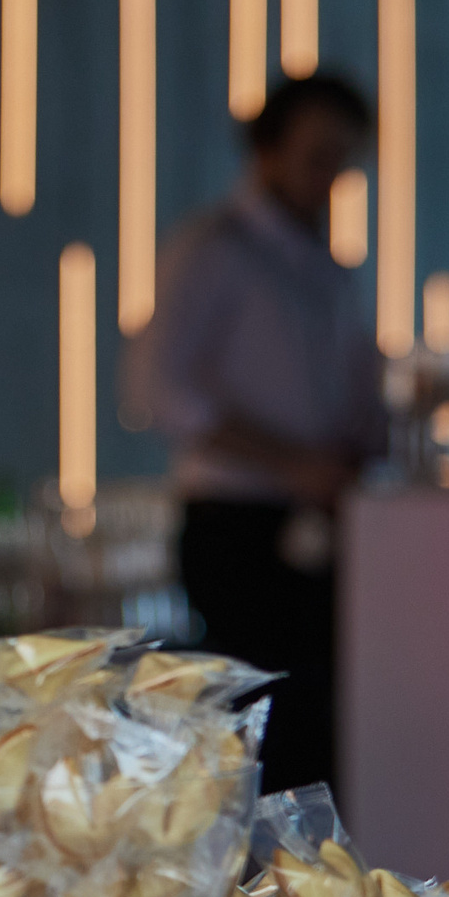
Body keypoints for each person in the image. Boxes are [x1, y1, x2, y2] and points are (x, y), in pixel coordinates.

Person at [130, 72, 387, 794]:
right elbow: (160, 388)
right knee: (259, 726)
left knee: (319, 722)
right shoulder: (213, 251)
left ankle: (318, 884)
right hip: (235, 528)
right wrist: (289, 462)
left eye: (343, 158)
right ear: (267, 151)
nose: (330, 174)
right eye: (316, 154)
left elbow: (361, 396)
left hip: (322, 520)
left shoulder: (331, 272)